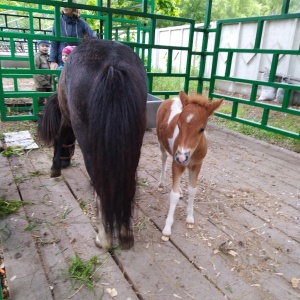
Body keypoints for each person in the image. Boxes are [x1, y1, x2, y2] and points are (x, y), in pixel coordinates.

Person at [49, 0, 96, 70]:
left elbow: (93, 38)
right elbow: (54, 42)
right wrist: (52, 61)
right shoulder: (58, 22)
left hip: (77, 60)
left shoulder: (81, 23)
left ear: (73, 6)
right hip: (62, 60)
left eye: (67, 4)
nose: (64, 7)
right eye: (63, 4)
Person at [32, 40, 52, 114]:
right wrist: (43, 82)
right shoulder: (37, 56)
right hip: (41, 83)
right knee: (40, 99)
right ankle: (32, 112)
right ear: (38, 47)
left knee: (50, 97)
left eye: (47, 46)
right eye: (43, 46)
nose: (45, 48)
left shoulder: (48, 56)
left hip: (49, 82)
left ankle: (49, 113)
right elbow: (36, 71)